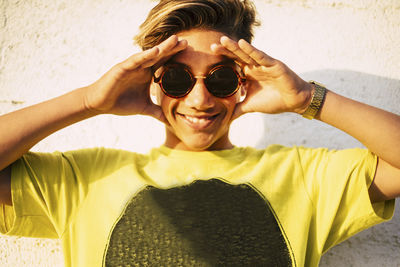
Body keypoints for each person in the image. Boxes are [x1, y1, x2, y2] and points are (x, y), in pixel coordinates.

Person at [0, 0, 399, 266]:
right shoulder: (83, 178)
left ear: (244, 82)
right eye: (177, 78)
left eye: (221, 78)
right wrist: (89, 101)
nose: (200, 98)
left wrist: (306, 98)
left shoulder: (303, 175)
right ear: (152, 82)